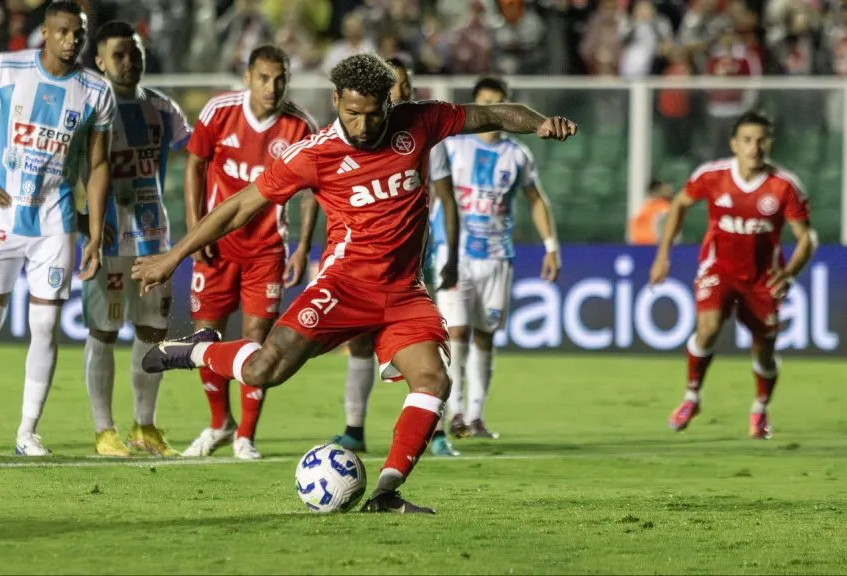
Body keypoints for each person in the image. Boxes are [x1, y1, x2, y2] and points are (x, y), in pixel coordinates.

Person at [133, 53, 576, 513]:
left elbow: (493, 113)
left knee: (433, 380)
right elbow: (241, 205)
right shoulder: (314, 154)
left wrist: (541, 123)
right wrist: (174, 256)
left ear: (391, 101)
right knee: (266, 370)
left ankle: (385, 492)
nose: (363, 127)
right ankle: (190, 350)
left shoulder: (421, 121)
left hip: (404, 293)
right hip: (343, 287)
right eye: (352, 114)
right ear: (336, 101)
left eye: (373, 113)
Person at [0, 1, 115, 456]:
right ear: (46, 34)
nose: (73, 40)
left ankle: (27, 432)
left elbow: (98, 165)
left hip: (54, 223)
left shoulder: (96, 91)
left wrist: (95, 233)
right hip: (2, 218)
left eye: (80, 33)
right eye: (65, 31)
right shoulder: (7, 69)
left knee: (46, 325)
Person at [182, 44, 319, 460]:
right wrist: (195, 229)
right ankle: (218, 422)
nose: (271, 87)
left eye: (279, 79)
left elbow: (314, 193)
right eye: (263, 78)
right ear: (248, 77)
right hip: (217, 245)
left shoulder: (299, 127)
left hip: (267, 251)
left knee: (257, 342)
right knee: (207, 337)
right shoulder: (218, 111)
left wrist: (303, 247)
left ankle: (245, 435)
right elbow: (194, 165)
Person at [650, 110, 815, 440]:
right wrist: (663, 254)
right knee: (708, 328)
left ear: (770, 142)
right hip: (718, 268)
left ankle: (760, 408)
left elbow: (806, 238)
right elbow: (679, 204)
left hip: (762, 278)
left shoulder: (784, 186)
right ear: (734, 144)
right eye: (747, 140)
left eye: (761, 140)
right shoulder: (712, 176)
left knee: (764, 351)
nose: (754, 148)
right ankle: (691, 397)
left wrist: (790, 273)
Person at [330, 56, 462, 457]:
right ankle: (354, 428)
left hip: (414, 258)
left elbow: (446, 199)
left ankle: (434, 431)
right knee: (357, 344)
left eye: (404, 85)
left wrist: (450, 254)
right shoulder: (352, 139)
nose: (400, 92)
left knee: (428, 344)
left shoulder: (420, 132)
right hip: (362, 261)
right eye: (395, 86)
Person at [79, 21, 191, 457]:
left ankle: (144, 427)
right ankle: (104, 430)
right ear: (101, 62)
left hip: (153, 239)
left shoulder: (164, 109)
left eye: (136, 53)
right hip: (106, 241)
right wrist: (81, 224)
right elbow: (71, 172)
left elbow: (197, 156)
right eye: (120, 55)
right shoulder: (89, 111)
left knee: (152, 330)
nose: (130, 62)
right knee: (103, 331)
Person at [429, 76, 560, 441]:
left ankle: (476, 416)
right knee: (455, 330)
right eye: (484, 103)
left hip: (497, 256)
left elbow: (536, 199)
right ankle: (454, 412)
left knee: (485, 336)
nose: (490, 110)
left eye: (497, 103)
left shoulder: (517, 154)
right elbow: (433, 196)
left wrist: (551, 245)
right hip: (455, 252)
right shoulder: (452, 146)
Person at [628, 179, 674, 245]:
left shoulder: (647, 207)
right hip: (652, 245)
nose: (669, 191)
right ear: (656, 191)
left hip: (642, 245)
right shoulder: (662, 207)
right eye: (665, 189)